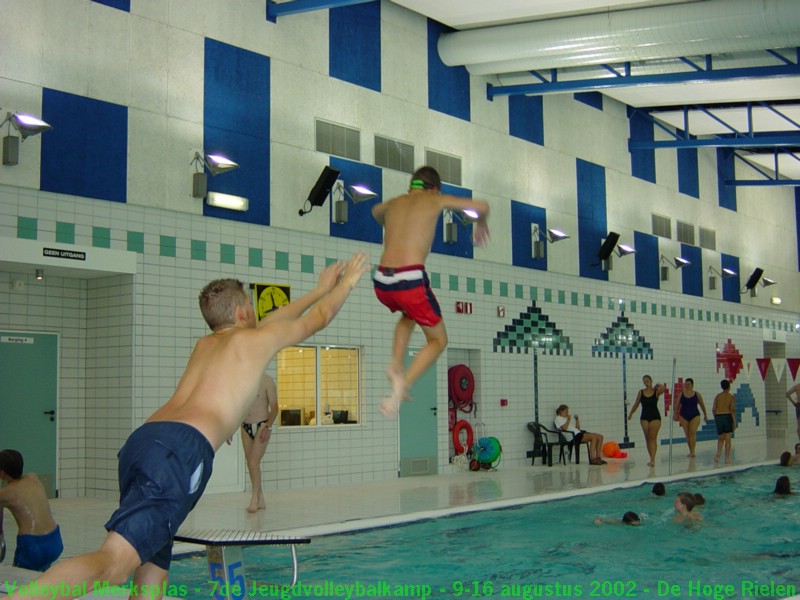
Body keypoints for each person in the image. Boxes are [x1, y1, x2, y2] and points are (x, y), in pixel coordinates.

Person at [6, 252, 369, 600]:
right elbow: (319, 318)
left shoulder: (207, 344)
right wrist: (347, 282)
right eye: (254, 308)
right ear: (243, 312)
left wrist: (320, 288)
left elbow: (274, 322)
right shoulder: (251, 340)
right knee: (114, 564)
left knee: (152, 572)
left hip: (144, 442)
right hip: (178, 452)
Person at [371, 166, 490, 417]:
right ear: (435, 188)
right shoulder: (434, 198)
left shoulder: (396, 202)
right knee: (438, 340)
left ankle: (395, 364)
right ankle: (400, 387)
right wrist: (480, 223)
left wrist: (391, 221)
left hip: (382, 280)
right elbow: (482, 205)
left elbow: (376, 211)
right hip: (409, 279)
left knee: (408, 315)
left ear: (412, 186)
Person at [0, 449, 63, 571]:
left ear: (2, 472)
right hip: (55, 539)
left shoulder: (5, 494)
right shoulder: (33, 477)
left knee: (19, 585)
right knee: (40, 579)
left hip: (33, 546)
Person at [239, 373, 278, 513]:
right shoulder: (243, 381)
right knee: (250, 463)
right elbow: (237, 407)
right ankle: (260, 498)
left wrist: (268, 426)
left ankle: (254, 498)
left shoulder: (267, 381)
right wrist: (229, 429)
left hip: (262, 425)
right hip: (245, 426)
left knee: (253, 462)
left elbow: (274, 407)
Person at [627, 375, 663, 466]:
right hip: (644, 417)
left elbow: (663, 388)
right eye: (644, 381)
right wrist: (631, 413)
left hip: (655, 417)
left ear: (651, 380)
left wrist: (657, 384)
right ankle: (651, 458)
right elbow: (636, 403)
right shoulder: (641, 392)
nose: (646, 382)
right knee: (647, 438)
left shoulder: (656, 392)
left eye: (647, 381)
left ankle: (653, 460)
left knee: (652, 438)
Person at [674, 378, 708, 458]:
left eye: (689, 384)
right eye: (686, 384)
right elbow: (676, 404)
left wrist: (705, 414)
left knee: (692, 432)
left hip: (695, 415)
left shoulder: (696, 394)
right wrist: (675, 414)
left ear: (692, 385)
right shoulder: (682, 394)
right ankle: (691, 451)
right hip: (683, 416)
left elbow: (702, 404)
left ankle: (693, 452)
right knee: (687, 434)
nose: (687, 385)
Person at [712, 379, 736, 464]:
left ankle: (718, 455)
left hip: (719, 417)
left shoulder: (718, 396)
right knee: (728, 439)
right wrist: (734, 422)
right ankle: (727, 458)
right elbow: (732, 410)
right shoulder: (731, 397)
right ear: (729, 387)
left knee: (721, 438)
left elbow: (713, 409)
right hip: (727, 417)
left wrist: (716, 419)